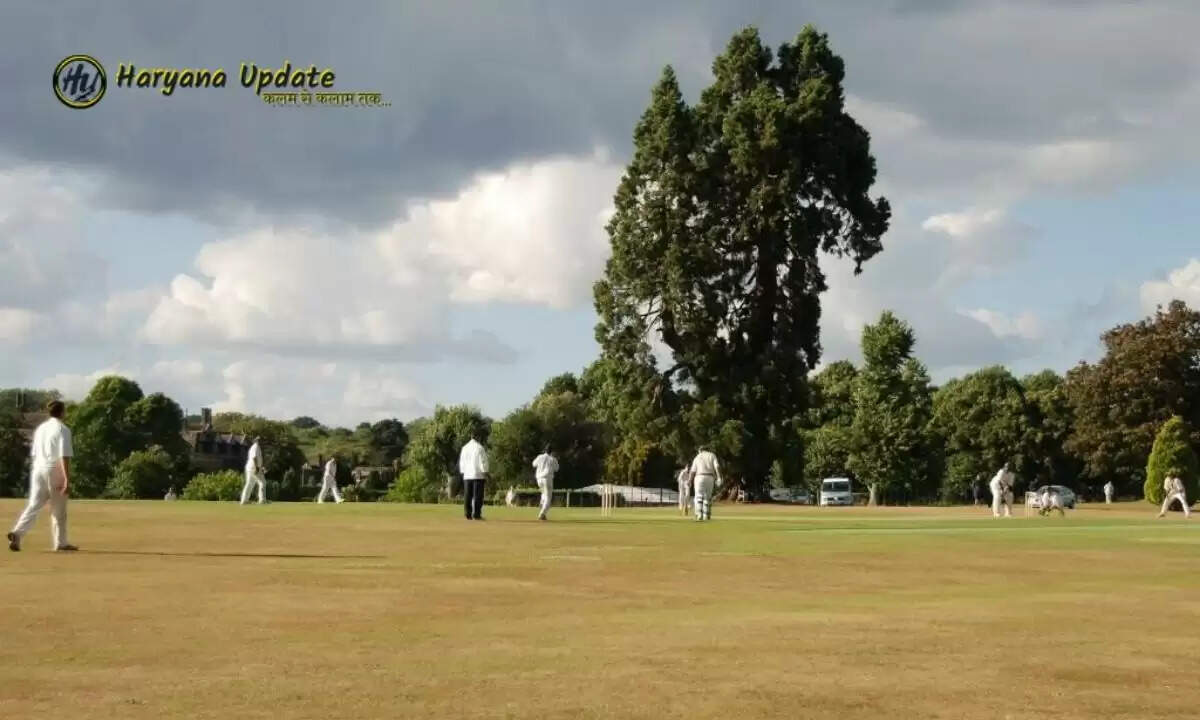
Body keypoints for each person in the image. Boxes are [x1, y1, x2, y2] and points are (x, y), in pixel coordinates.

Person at [8, 401, 78, 552]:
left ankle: (17, 533)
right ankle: (61, 543)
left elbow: (34, 453)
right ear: (62, 412)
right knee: (59, 509)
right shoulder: (63, 429)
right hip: (54, 469)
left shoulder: (41, 429)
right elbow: (64, 455)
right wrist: (66, 479)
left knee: (34, 505)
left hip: (38, 469)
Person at [458, 432, 489, 520]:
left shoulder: (465, 448)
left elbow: (462, 461)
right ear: (478, 437)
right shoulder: (479, 448)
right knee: (477, 496)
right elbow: (483, 461)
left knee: (467, 495)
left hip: (467, 475)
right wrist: (485, 472)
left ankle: (467, 513)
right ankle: (476, 514)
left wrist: (463, 471)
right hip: (478, 475)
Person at [690, 445, 723, 521]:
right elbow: (717, 466)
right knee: (707, 497)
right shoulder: (712, 455)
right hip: (710, 477)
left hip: (699, 477)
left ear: (700, 450)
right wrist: (719, 477)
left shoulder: (697, 457)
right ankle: (706, 515)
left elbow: (693, 471)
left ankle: (699, 514)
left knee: (699, 496)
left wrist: (689, 480)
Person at [531, 445, 559, 521]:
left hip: (539, 479)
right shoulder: (553, 459)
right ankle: (542, 514)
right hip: (547, 479)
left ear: (545, 450)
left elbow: (533, 464)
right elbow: (557, 469)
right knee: (548, 498)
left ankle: (542, 502)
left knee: (544, 493)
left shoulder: (540, 456)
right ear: (552, 451)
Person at [240, 436, 267, 505]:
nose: (261, 441)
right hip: (253, 468)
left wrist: (261, 467)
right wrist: (257, 468)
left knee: (249, 484)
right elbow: (254, 457)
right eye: (259, 440)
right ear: (256, 440)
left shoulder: (256, 447)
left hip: (250, 468)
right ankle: (262, 500)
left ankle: (244, 500)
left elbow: (258, 459)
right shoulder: (255, 447)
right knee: (262, 483)